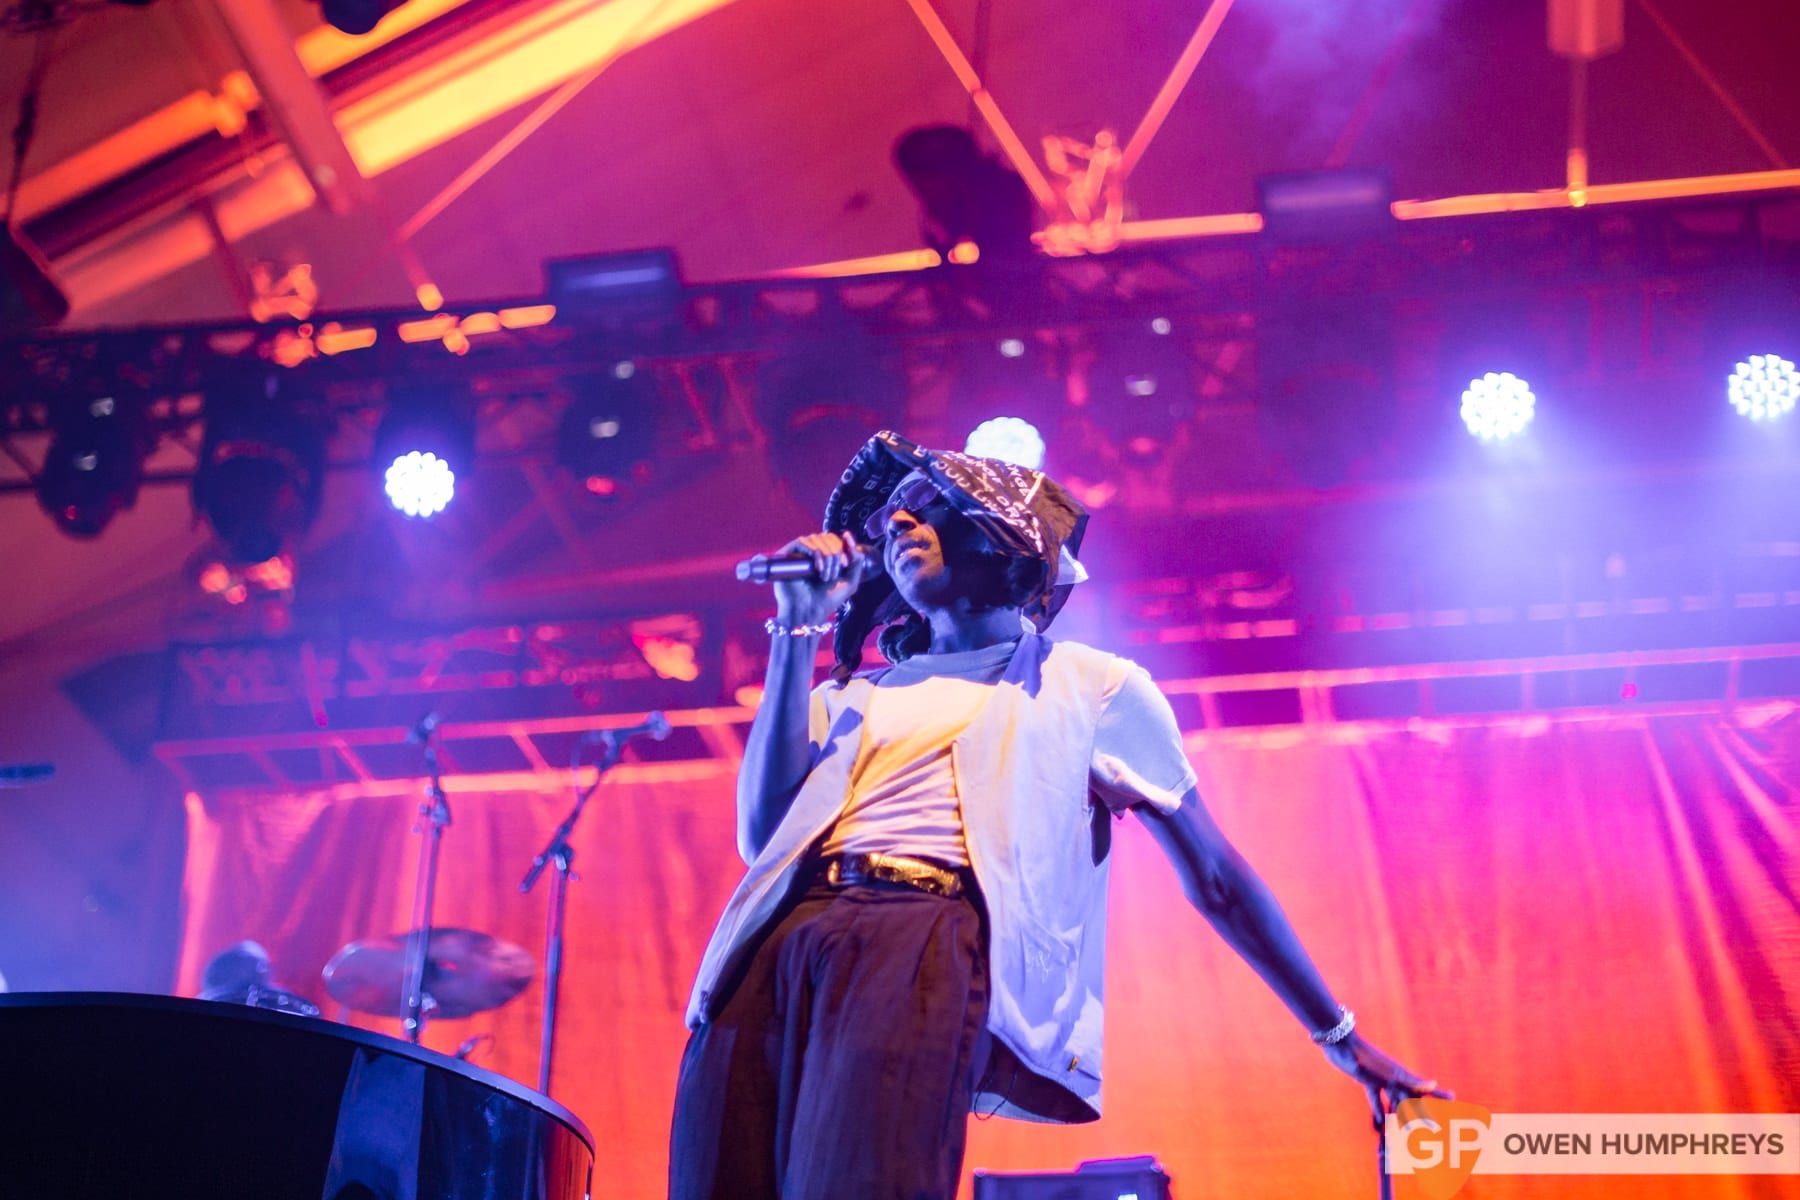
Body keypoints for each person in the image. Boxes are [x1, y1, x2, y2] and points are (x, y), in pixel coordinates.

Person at [670, 431, 1445, 1199]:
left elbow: (1215, 877)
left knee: (861, 1180)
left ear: (1006, 534)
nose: (898, 525)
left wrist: (1338, 1035)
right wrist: (795, 627)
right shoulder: (849, 696)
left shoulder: (1090, 686)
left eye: (929, 507)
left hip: (922, 931)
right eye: (891, 521)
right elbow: (762, 840)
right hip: (770, 941)